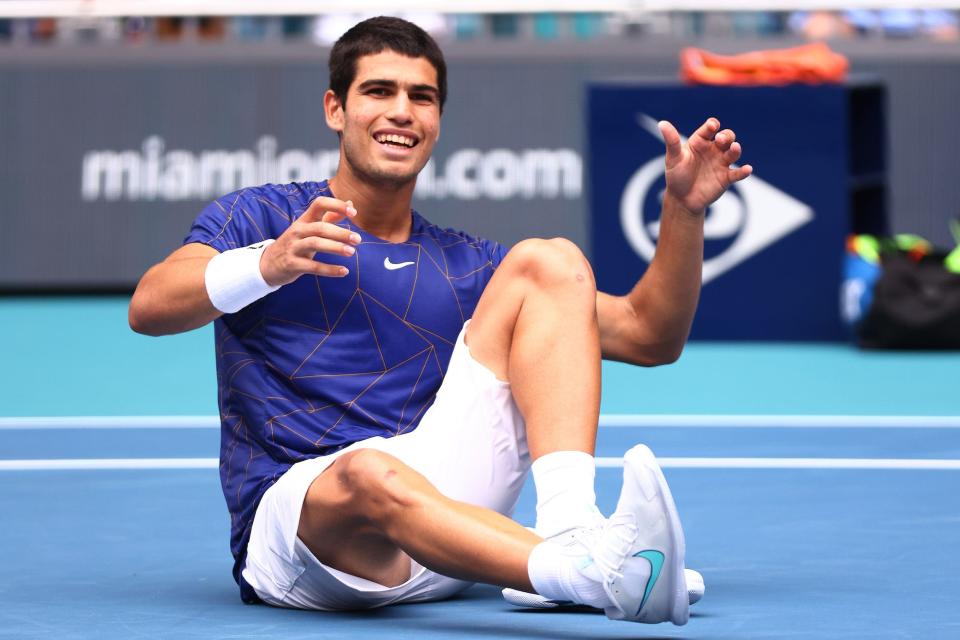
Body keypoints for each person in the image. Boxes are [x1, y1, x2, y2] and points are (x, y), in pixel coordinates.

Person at [129, 16, 751, 625]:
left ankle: (572, 532)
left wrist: (683, 213)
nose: (402, 111)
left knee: (551, 261)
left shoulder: (464, 263)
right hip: (308, 542)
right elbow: (150, 307)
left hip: (448, 530)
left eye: (420, 97)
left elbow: (649, 335)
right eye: (378, 91)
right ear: (335, 109)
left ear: (437, 120)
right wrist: (267, 265)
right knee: (369, 471)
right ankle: (590, 574)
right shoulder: (263, 217)